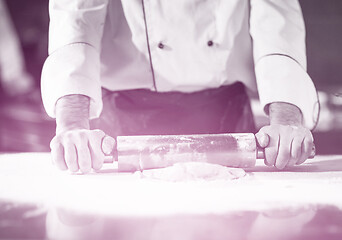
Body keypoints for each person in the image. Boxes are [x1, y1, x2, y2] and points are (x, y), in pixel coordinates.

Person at [41, 0, 319, 174]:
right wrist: (73, 122)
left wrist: (286, 119)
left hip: (224, 120)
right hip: (119, 128)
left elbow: (277, 22)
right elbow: (76, 20)